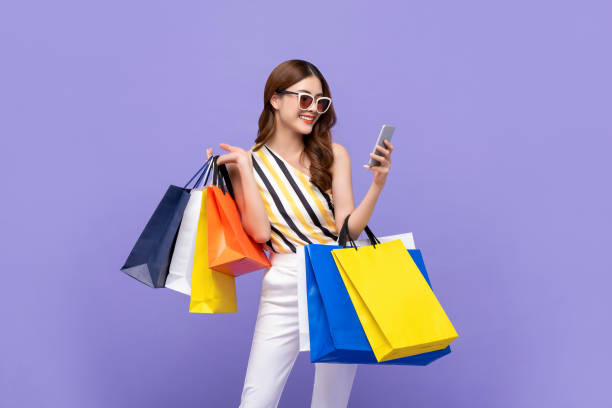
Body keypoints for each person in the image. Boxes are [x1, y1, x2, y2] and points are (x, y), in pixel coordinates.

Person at [205, 59, 394, 408]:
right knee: (256, 399)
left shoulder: (334, 155)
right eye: (304, 99)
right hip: (284, 280)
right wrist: (245, 169)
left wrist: (377, 186)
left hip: (337, 276)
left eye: (320, 102)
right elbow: (261, 233)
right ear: (275, 99)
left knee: (331, 401)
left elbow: (347, 230)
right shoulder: (247, 162)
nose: (313, 110)